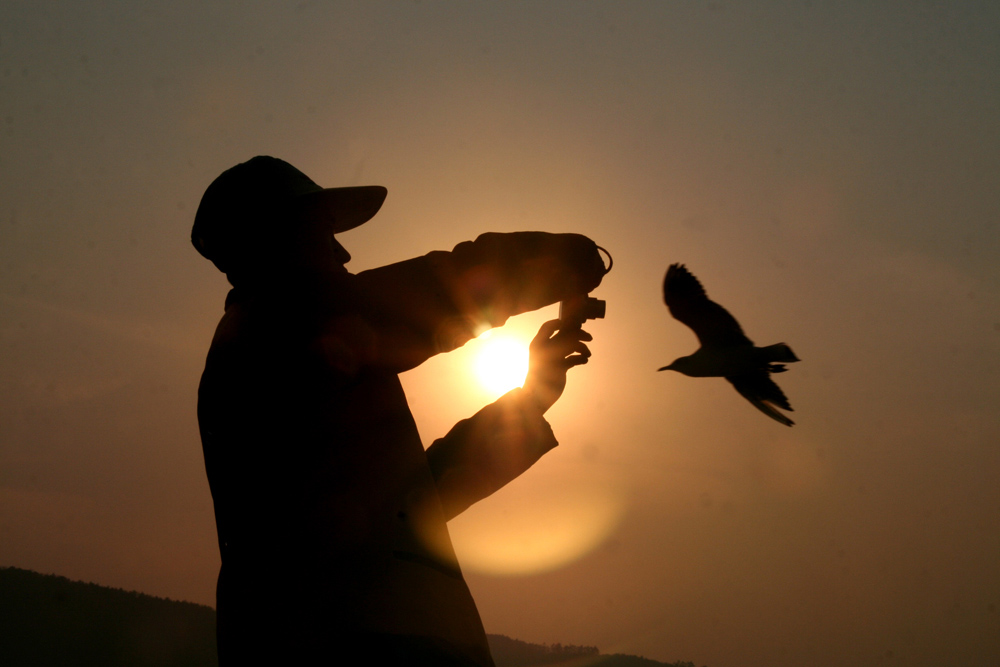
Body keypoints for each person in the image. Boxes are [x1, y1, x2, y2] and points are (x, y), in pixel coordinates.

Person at [192, 156, 608, 666]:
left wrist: (530, 399)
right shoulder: (280, 326)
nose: (344, 252)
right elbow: (434, 295)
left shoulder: (280, 350)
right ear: (281, 238)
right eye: (326, 232)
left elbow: (412, 507)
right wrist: (564, 261)